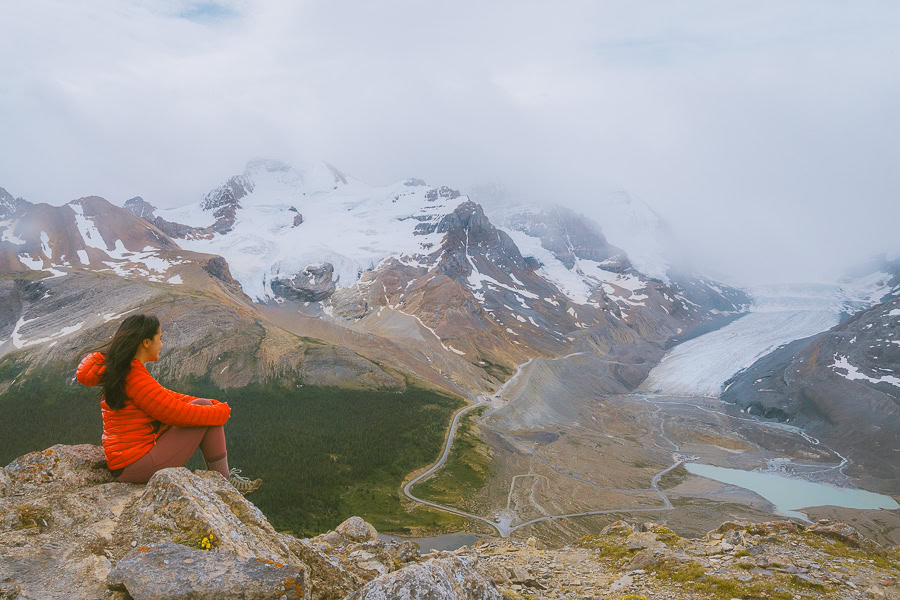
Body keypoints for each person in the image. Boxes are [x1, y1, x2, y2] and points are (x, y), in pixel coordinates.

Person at [75, 314, 262, 495]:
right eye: (160, 338)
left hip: (128, 461)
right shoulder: (134, 377)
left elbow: (165, 398)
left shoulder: (128, 372)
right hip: (134, 465)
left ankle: (225, 480)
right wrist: (221, 411)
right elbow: (175, 413)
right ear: (146, 342)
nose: (162, 344)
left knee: (205, 406)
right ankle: (225, 483)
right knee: (207, 416)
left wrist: (212, 404)